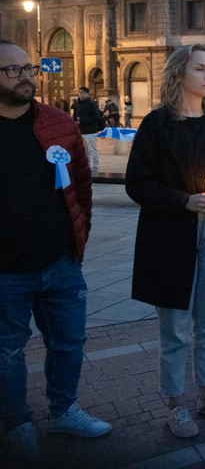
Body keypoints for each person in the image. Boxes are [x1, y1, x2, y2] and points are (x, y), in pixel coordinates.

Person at [126, 44, 205, 438]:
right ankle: (176, 404)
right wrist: (184, 200)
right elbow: (137, 184)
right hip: (174, 236)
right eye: (201, 69)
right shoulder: (158, 125)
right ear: (179, 74)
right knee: (176, 328)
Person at [0, 41, 112, 462]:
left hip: (60, 262)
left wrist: (77, 239)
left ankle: (64, 409)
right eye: (11, 70)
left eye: (27, 67)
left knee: (69, 341)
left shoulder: (58, 123)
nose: (25, 75)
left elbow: (81, 184)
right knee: (7, 350)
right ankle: (16, 422)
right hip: (5, 270)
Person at [71, 86, 102, 174]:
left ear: (87, 94)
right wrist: (75, 121)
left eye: (83, 92)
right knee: (84, 152)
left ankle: (95, 169)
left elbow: (96, 117)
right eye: (80, 92)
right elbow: (75, 116)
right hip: (81, 131)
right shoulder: (77, 104)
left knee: (93, 151)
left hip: (90, 131)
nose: (81, 94)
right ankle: (87, 169)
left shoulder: (91, 104)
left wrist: (82, 121)